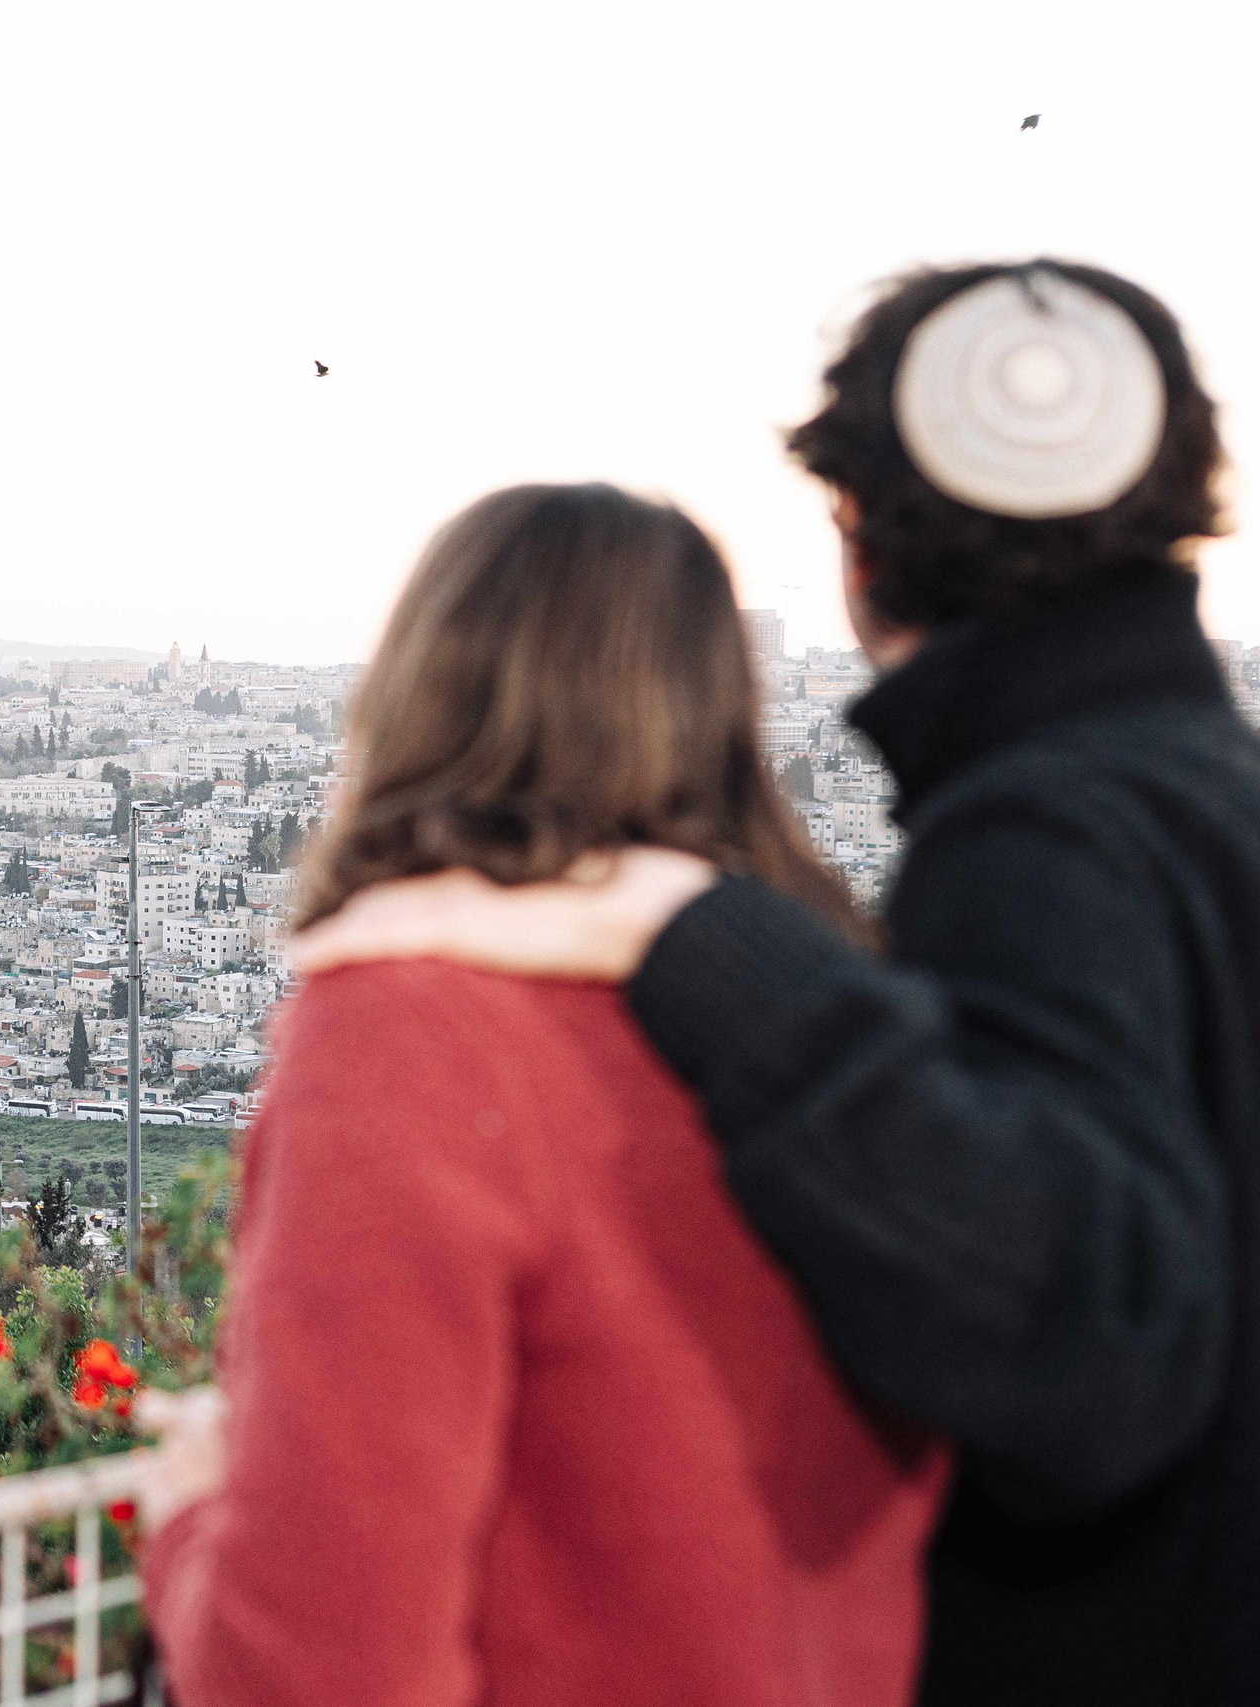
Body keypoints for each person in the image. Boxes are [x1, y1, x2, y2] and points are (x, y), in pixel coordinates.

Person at [291, 260, 1257, 1704]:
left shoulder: (1039, 833)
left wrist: (694, 931)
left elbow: (1092, 1347)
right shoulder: (1212, 795)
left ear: (857, 543)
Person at [137, 482, 949, 1707]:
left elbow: (316, 1669)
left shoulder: (411, 1032)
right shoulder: (827, 1003)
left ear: (418, 692)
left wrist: (191, 1517)